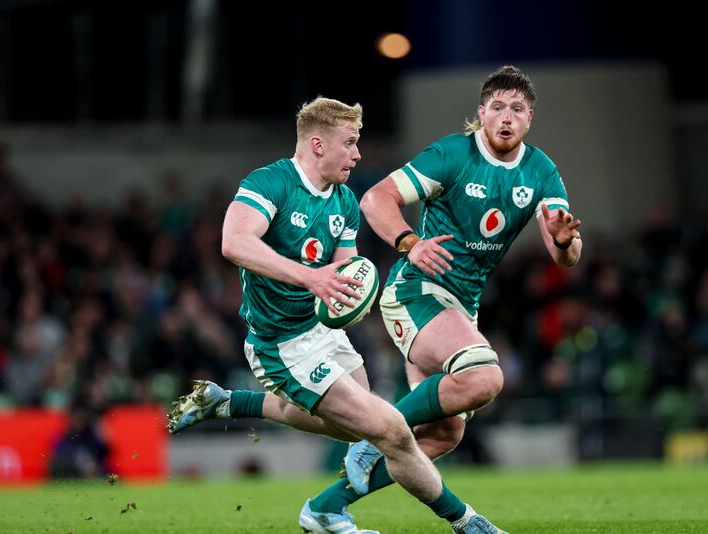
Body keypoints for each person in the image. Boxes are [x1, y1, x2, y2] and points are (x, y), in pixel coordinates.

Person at [167, 97, 506, 534]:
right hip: (280, 344)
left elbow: (347, 273)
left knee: (352, 430)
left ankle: (231, 401)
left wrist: (352, 293)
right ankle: (464, 522)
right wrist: (312, 279)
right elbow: (233, 242)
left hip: (321, 332)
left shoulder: (344, 200)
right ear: (317, 144)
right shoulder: (271, 183)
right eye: (349, 143)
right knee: (393, 431)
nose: (358, 154)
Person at [312, 65, 584, 511]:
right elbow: (375, 199)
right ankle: (376, 434)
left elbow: (565, 254)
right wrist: (409, 242)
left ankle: (325, 507)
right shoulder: (454, 155)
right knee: (485, 375)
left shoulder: (540, 170)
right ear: (482, 112)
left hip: (460, 308)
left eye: (517, 108)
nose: (506, 116)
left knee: (443, 434)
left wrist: (564, 240)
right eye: (497, 107)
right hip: (415, 293)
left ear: (529, 118)